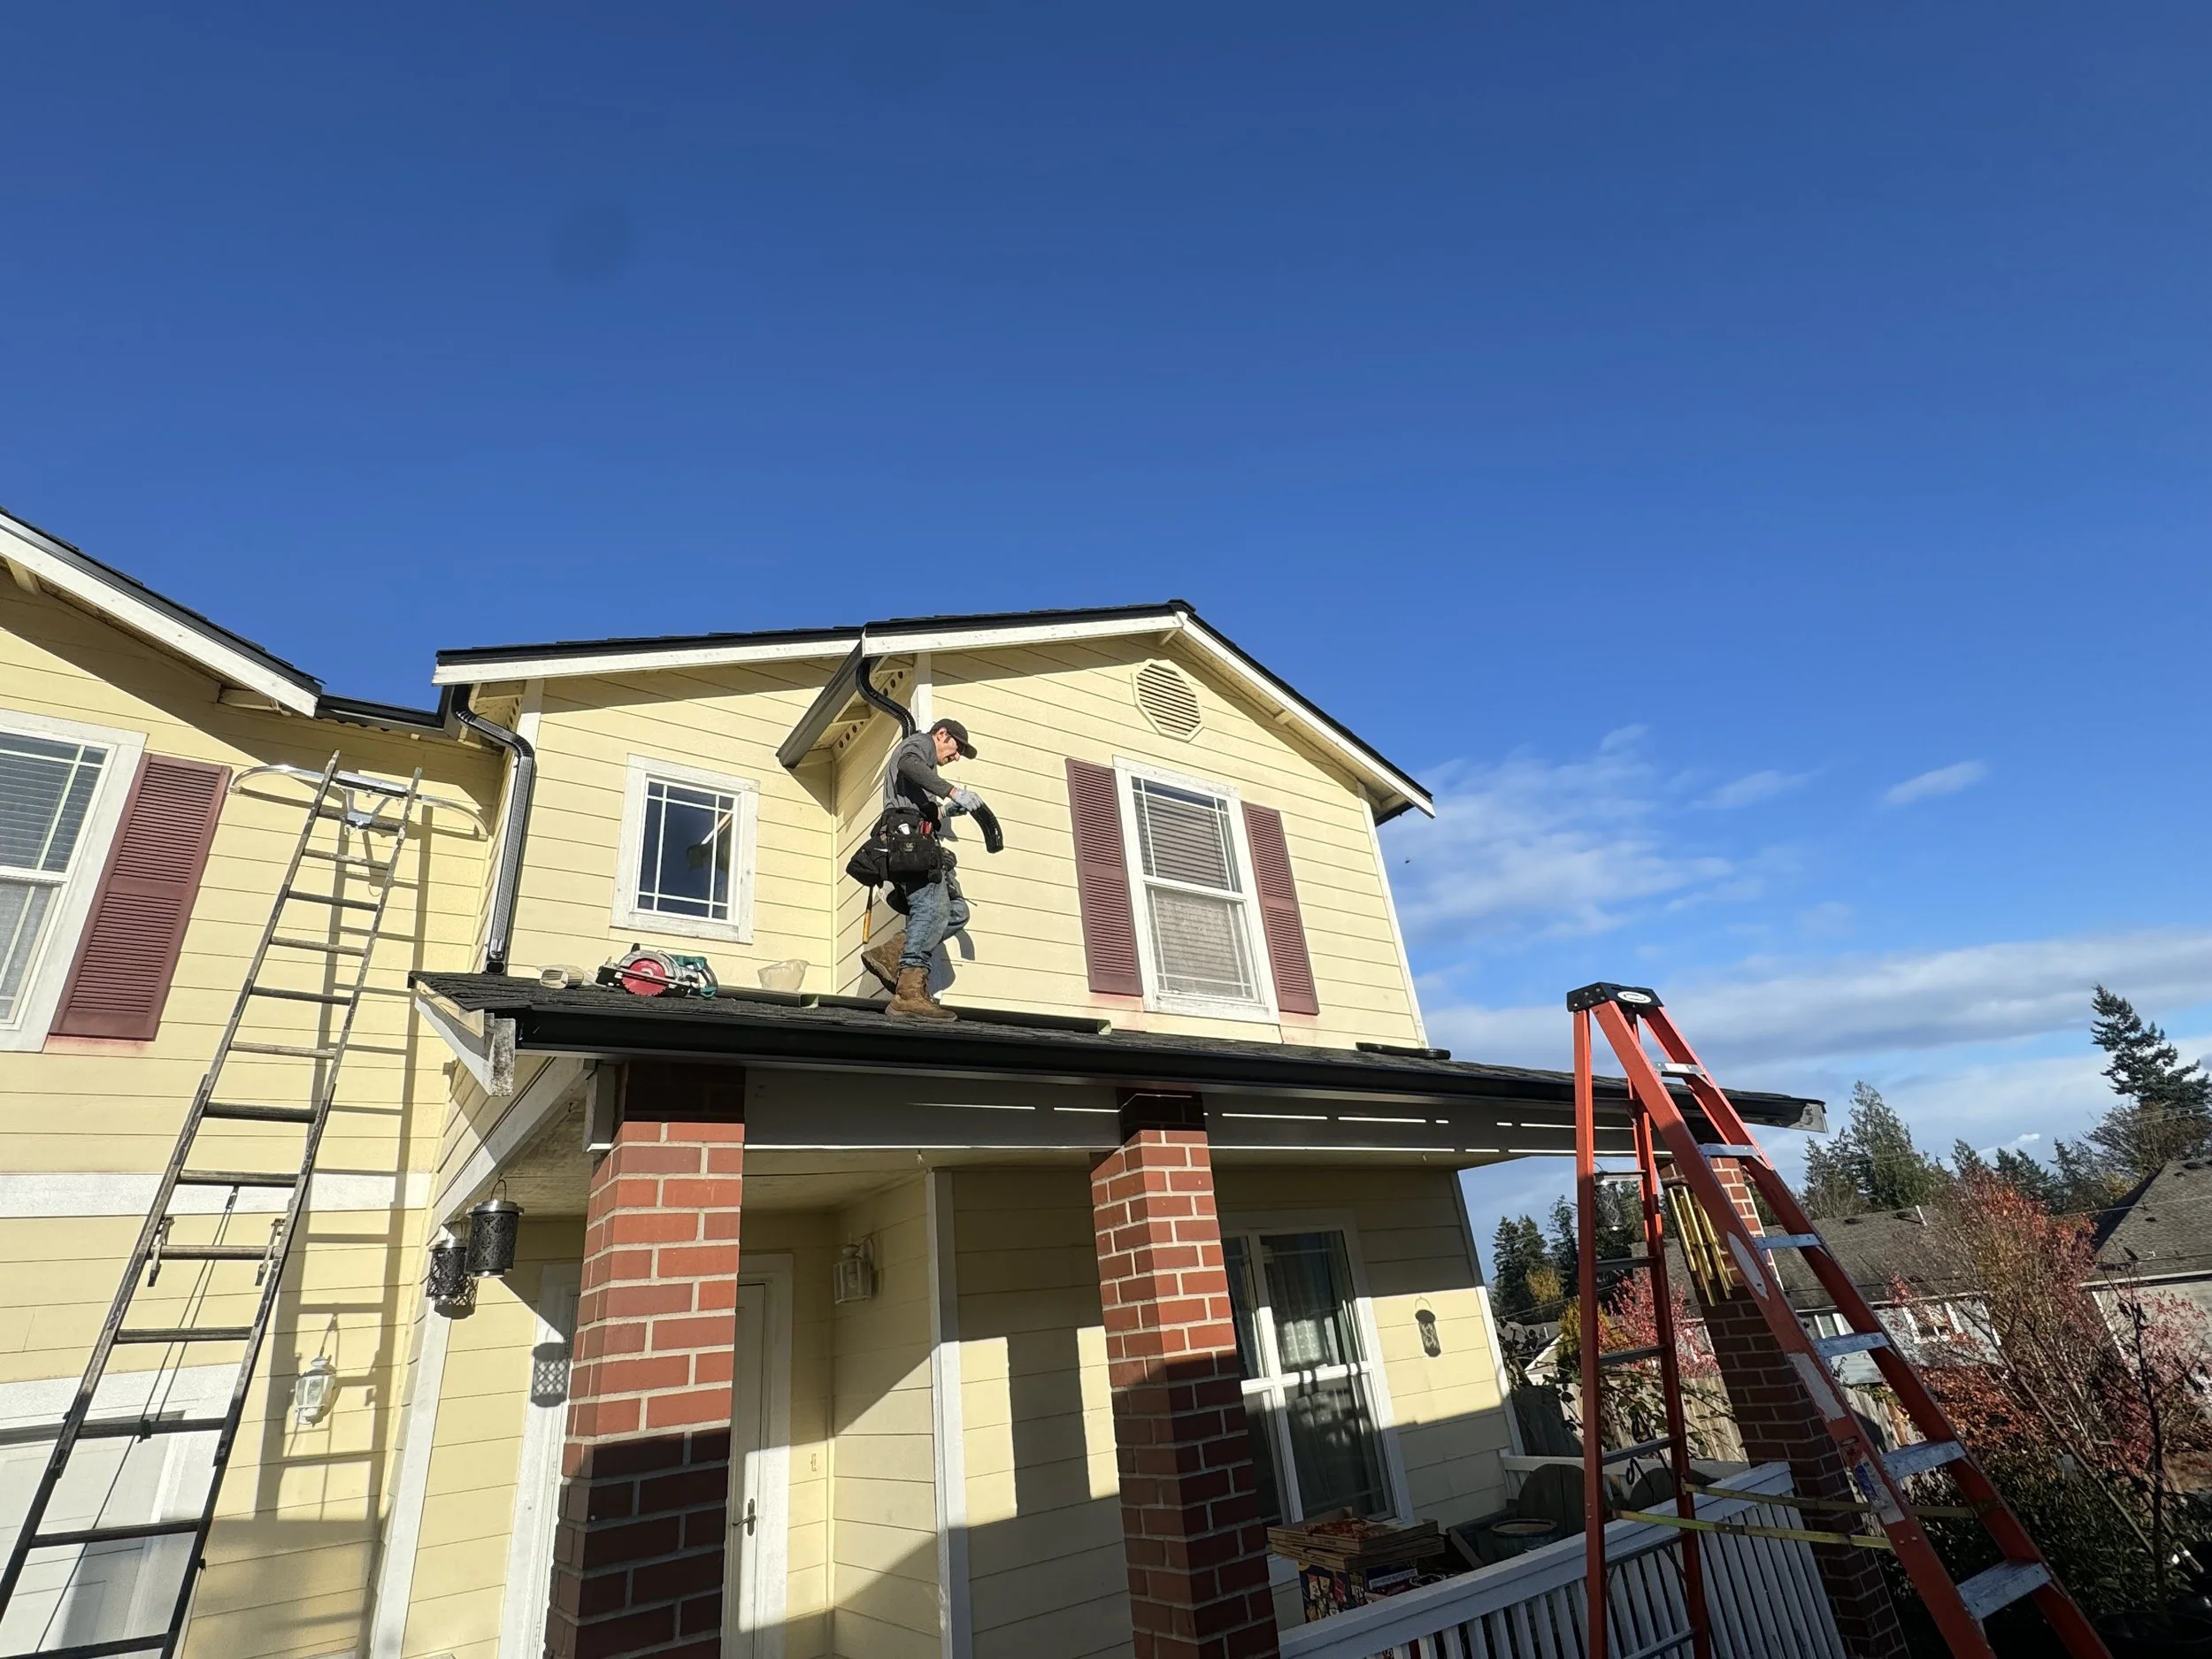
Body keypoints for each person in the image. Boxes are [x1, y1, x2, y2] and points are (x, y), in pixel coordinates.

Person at [864, 717, 984, 1019]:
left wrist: (943, 810)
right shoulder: (919, 745)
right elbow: (907, 764)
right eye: (957, 749)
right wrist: (953, 792)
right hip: (908, 842)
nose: (956, 757)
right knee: (931, 909)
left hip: (918, 838)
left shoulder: (926, 765)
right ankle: (909, 993)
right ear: (941, 734)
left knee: (956, 911)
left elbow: (917, 804)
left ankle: (892, 954)